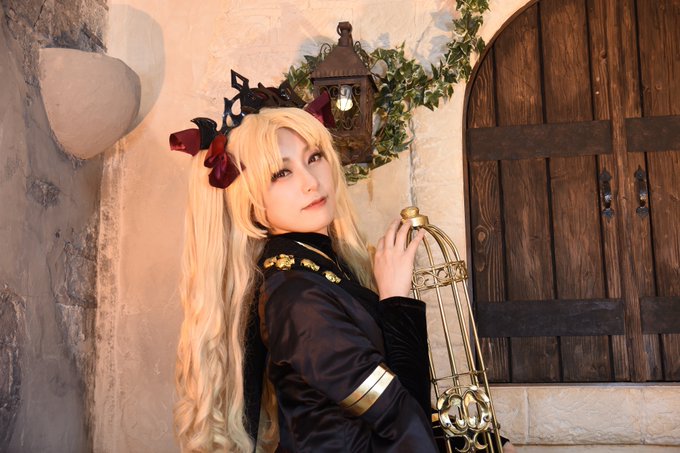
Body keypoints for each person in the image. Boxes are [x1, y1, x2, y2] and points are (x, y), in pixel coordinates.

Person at [171, 77, 515, 452]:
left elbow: (401, 413)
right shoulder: (298, 299)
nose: (311, 182)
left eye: (314, 157)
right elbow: (399, 418)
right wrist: (396, 302)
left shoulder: (323, 269)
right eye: (281, 173)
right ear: (251, 203)